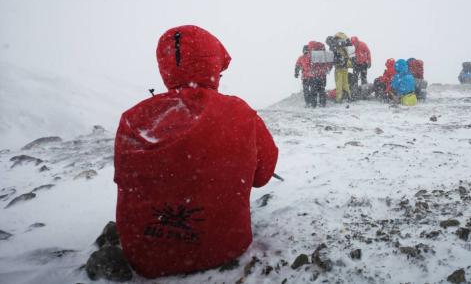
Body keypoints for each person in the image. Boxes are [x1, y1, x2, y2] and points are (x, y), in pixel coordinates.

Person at [114, 25, 279, 278]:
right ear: (213, 66)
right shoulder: (240, 113)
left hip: (144, 254)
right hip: (225, 246)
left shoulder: (132, 118)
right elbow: (262, 175)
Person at [327, 33, 352, 103]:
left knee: (338, 84)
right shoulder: (342, 47)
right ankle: (348, 97)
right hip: (345, 67)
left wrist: (329, 68)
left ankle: (339, 99)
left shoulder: (333, 48)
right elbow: (346, 56)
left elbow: (332, 60)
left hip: (338, 68)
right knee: (345, 84)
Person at [306, 41, 332, 107]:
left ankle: (313, 104)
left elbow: (308, 64)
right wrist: (326, 70)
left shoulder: (311, 54)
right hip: (323, 75)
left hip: (314, 75)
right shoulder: (324, 54)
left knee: (313, 90)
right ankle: (322, 103)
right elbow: (329, 63)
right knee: (322, 90)